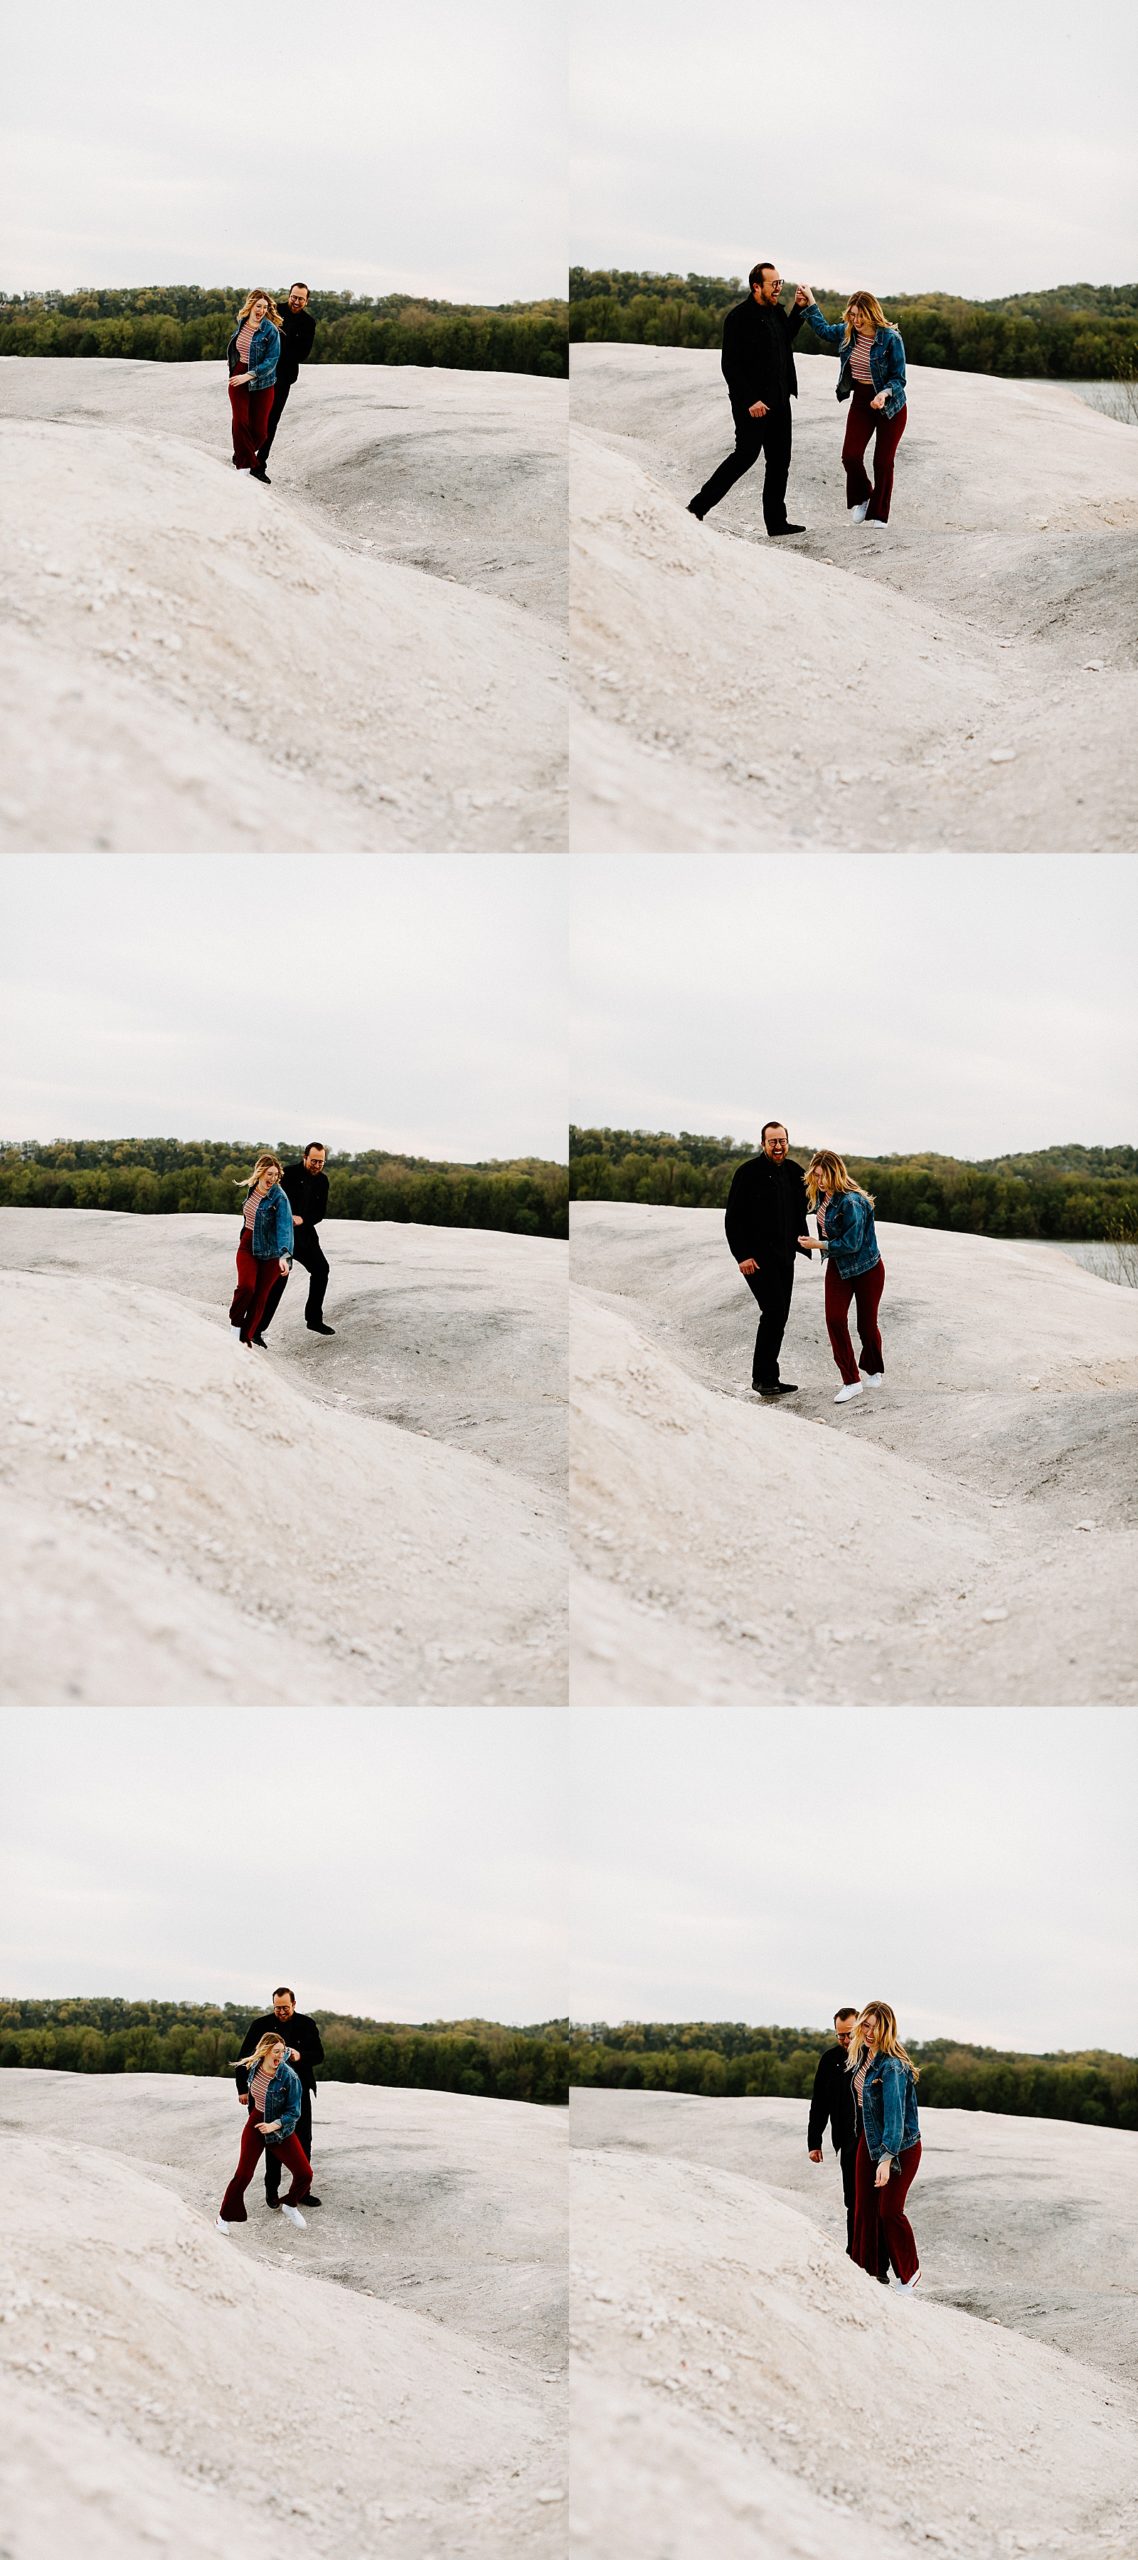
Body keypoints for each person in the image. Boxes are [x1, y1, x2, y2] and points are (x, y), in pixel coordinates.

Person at [687, 263, 808, 534]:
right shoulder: (739, 317)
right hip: (753, 405)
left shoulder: (777, 312)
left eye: (780, 283)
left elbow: (785, 337)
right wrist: (750, 400)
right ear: (756, 286)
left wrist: (798, 309)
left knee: (779, 462)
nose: (779, 288)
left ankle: (776, 523)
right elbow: (730, 365)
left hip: (779, 400)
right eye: (773, 284)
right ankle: (696, 509)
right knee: (744, 456)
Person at [795, 286, 908, 525]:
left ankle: (879, 514)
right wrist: (811, 302)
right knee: (850, 456)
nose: (855, 320)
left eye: (860, 315)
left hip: (890, 406)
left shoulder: (890, 338)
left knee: (882, 462)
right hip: (861, 402)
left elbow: (899, 378)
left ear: (872, 313)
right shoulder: (849, 333)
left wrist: (884, 394)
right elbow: (824, 331)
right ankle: (864, 496)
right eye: (852, 315)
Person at [724, 1122, 811, 1398]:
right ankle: (762, 1379)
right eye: (772, 1141)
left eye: (782, 1141)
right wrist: (742, 1255)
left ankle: (770, 1377)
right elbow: (733, 1218)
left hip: (785, 1258)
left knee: (779, 1315)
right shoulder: (748, 1173)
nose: (778, 1146)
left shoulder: (795, 1172)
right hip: (757, 1260)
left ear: (788, 1142)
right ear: (763, 1143)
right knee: (773, 1311)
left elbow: (814, 1197)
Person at [797, 1150, 885, 1406]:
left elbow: (852, 1243)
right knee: (834, 1320)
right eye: (816, 1176)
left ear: (836, 1173)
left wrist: (818, 1244)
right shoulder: (824, 1196)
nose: (820, 1182)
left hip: (867, 1268)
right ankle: (851, 1381)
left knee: (866, 1326)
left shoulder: (852, 1202)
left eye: (823, 1176)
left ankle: (873, 1370)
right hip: (839, 1267)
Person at [847, 2001, 923, 2291]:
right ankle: (869, 2272)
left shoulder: (892, 2066)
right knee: (864, 2208)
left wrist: (886, 2157)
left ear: (887, 2029)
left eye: (875, 2027)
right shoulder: (866, 2058)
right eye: (865, 2025)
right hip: (870, 2140)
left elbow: (895, 2116)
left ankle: (910, 2274)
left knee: (889, 2210)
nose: (868, 2032)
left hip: (899, 2146)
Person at [235, 1988, 326, 2208]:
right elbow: (245, 2057)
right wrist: (242, 2089)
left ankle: (302, 2192)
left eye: (285, 2007)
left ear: (294, 2004)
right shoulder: (260, 2026)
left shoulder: (306, 2024)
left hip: (297, 2091)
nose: (282, 2012)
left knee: (303, 2140)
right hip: (266, 2095)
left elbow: (319, 2055)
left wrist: (299, 2055)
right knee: (272, 2142)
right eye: (277, 2008)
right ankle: (272, 2193)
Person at [217, 2030, 312, 2233]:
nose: (279, 2056)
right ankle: (223, 2218)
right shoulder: (255, 2064)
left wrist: (274, 2125)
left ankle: (290, 2204)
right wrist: (242, 2092)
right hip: (256, 2122)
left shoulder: (290, 2077)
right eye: (275, 2052)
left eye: (282, 2052)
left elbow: (294, 2113)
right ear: (265, 2051)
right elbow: (243, 2072)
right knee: (243, 2174)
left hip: (280, 2128)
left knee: (305, 2174)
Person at [258, 1144, 335, 1341]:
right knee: (279, 1280)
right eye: (314, 1161)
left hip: (306, 1235)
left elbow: (320, 1212)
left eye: (321, 1162)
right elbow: (270, 1198)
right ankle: (257, 1329)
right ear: (305, 1157)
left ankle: (314, 1320)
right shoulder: (288, 1174)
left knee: (321, 1270)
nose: (317, 1165)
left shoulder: (323, 1181)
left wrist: (303, 1219)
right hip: (284, 1236)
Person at [807, 2009, 860, 2255]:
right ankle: (854, 2253)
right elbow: (820, 2102)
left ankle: (876, 2261)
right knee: (852, 2200)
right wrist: (814, 2141)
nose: (845, 2041)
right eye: (840, 2036)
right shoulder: (829, 2060)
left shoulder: (873, 2057)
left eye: (849, 2034)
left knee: (872, 2202)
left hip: (872, 2141)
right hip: (845, 2140)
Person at [228, 1154, 294, 1349]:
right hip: (248, 1245)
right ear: (259, 1173)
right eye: (269, 1174)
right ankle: (235, 1327)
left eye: (276, 1175)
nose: (272, 1179)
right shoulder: (252, 1188)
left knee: (260, 1296)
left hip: (272, 1252)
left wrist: (285, 1256)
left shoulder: (279, 1197)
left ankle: (245, 1339)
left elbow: (284, 1227)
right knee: (246, 1288)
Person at [256, 282, 317, 477]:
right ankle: (243, 453)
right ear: (289, 295)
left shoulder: (309, 323)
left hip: (284, 378)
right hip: (263, 372)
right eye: (293, 297)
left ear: (306, 301)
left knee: (271, 421)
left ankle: (260, 464)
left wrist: (278, 351)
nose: (296, 301)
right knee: (255, 415)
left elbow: (303, 353)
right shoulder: (275, 310)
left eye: (300, 299)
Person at [227, 290, 282, 481]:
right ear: (251, 306)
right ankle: (244, 466)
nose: (261, 310)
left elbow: (272, 360)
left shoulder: (270, 330)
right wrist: (237, 372)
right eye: (258, 306)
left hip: (262, 381)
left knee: (260, 433)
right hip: (238, 374)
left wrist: (248, 375)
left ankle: (240, 453)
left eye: (265, 307)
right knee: (240, 420)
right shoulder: (242, 323)